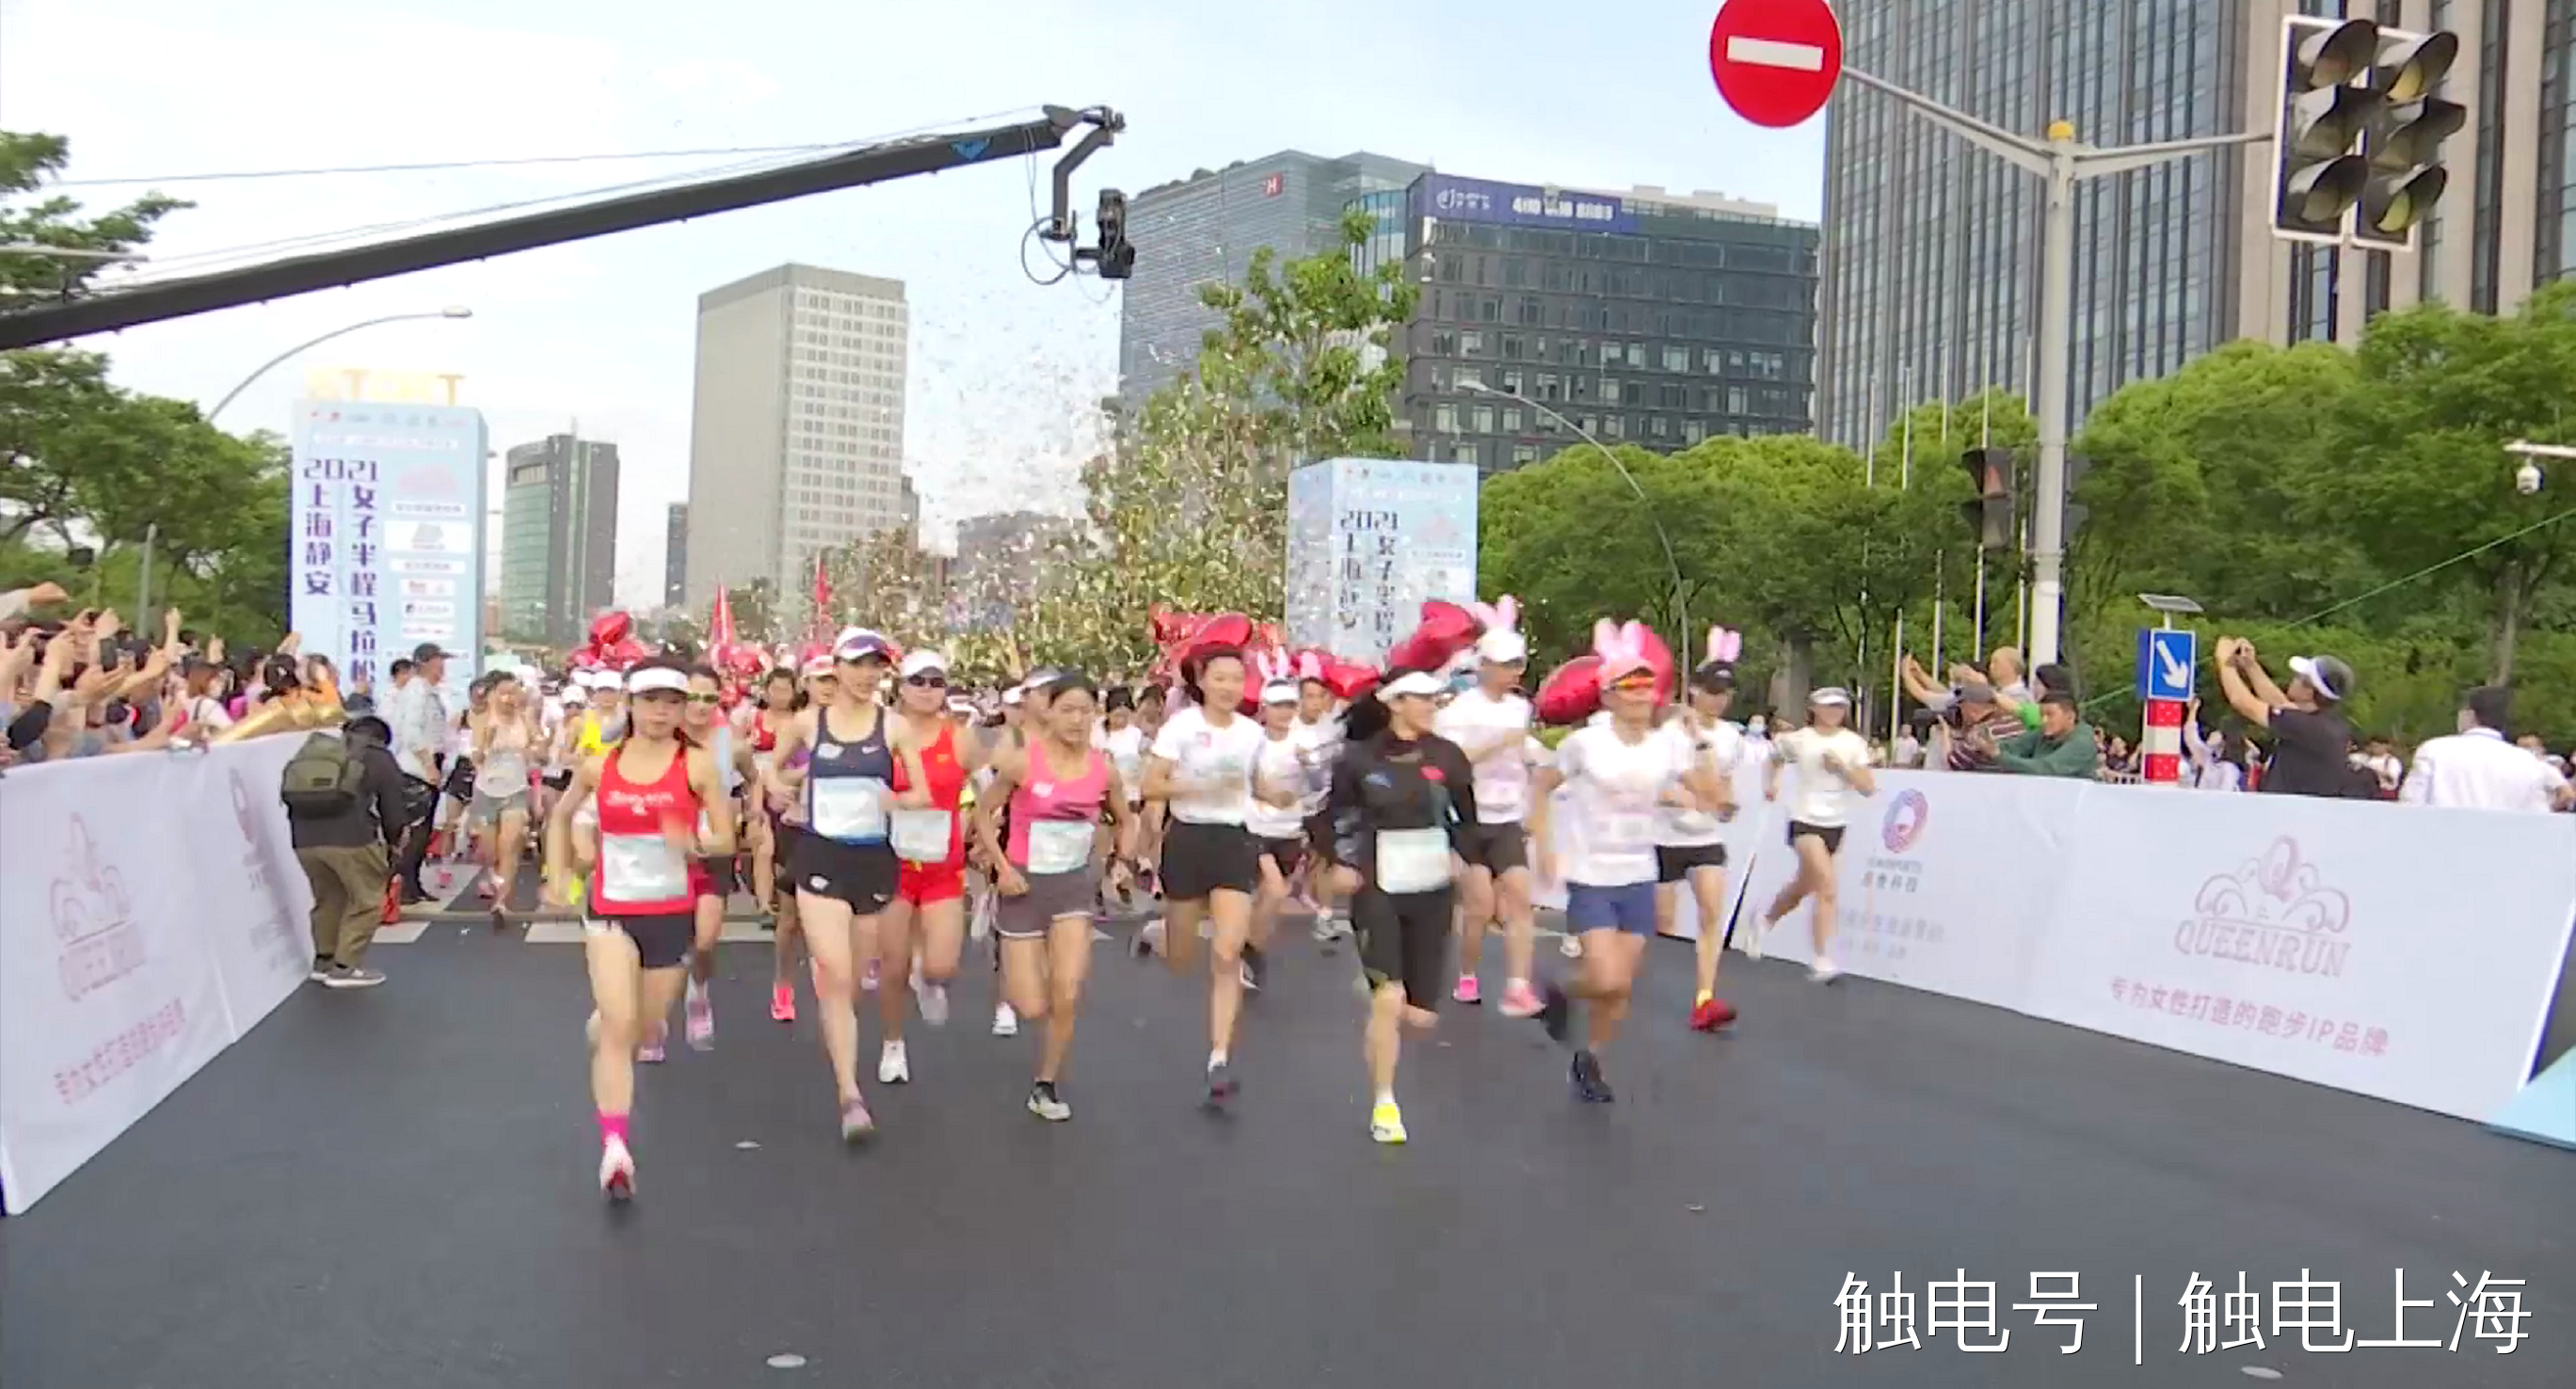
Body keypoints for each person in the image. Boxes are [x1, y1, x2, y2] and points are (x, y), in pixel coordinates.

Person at [542, 658, 735, 1199]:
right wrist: (559, 875)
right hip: (611, 910)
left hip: (671, 913)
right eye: (650, 700)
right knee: (620, 1028)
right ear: (630, 704)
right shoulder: (600, 766)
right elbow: (561, 816)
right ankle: (615, 1148)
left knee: (644, 1029)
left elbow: (727, 838)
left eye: (672, 702)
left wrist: (692, 842)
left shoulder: (697, 766)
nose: (660, 712)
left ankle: (608, 1020)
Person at [1528, 621, 1724, 1103]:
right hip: (1592, 875)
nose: (1641, 695)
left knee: (1620, 989)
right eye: (1630, 687)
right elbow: (1541, 786)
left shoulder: (1668, 746)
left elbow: (1712, 797)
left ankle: (1589, 1058)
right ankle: (1560, 990)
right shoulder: (1585, 744)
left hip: (1639, 875)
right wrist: (1545, 844)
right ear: (1608, 696)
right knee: (1606, 977)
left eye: (1647, 686)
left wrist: (1699, 741)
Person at [974, 673, 1134, 1120]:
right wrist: (1002, 868)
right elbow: (983, 815)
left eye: (1086, 711)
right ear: (1049, 712)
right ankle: (1003, 946)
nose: (1077, 720)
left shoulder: (1103, 769)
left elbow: (1127, 819)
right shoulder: (1023, 763)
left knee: (1067, 991)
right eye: (1068, 710)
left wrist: (1123, 860)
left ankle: (1045, 1085)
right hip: (1023, 886)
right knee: (1031, 1006)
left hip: (1074, 888)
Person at [1328, 667, 1477, 1143]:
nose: (1431, 706)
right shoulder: (1359, 759)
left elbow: (1468, 818)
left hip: (1432, 890)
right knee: (1389, 999)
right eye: (1421, 698)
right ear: (1395, 703)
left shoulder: (1448, 756)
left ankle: (1385, 1005)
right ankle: (1385, 1103)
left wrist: (1461, 855)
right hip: (1378, 886)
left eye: (1434, 699)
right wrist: (1342, 862)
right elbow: (1334, 817)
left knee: (1420, 1017)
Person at [764, 629, 903, 1136]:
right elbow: (771, 770)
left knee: (853, 981)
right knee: (835, 972)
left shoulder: (893, 726)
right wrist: (782, 787)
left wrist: (903, 801)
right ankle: (850, 1094)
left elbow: (925, 789)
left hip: (873, 859)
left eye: (875, 666)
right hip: (820, 853)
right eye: (857, 664)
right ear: (836, 668)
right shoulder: (808, 723)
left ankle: (841, 1034)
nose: (867, 675)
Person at [1139, 646, 1266, 1106]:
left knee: (1227, 952)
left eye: (1237, 678)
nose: (1230, 687)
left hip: (1234, 840)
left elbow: (1260, 783)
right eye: (1221, 678)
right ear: (1202, 680)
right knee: (1181, 959)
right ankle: (1154, 935)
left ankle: (1219, 1057)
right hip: (1188, 838)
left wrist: (1283, 793)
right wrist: (1199, 785)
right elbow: (1151, 784)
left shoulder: (1253, 732)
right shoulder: (1182, 727)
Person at [881, 647, 986, 1071]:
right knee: (892, 966)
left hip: (943, 865)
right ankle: (893, 1044)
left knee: (943, 966)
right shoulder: (882, 733)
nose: (927, 689)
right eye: (918, 681)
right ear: (902, 687)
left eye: (936, 682)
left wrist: (983, 836)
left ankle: (926, 976)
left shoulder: (959, 737)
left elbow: (985, 788)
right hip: (890, 865)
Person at [1433, 628, 1543, 1015]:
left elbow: (1525, 752)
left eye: (1518, 664)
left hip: (1507, 817)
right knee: (1479, 906)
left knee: (1520, 897)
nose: (1513, 672)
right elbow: (1452, 764)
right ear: (1484, 665)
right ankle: (1467, 975)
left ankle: (1518, 986)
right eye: (1506, 664)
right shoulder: (1457, 711)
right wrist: (1499, 744)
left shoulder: (1520, 708)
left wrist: (1538, 760)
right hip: (1469, 818)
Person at [1750, 687, 1877, 983]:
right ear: (1814, 708)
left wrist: (1842, 768)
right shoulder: (1800, 739)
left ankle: (1765, 920)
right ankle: (1822, 958)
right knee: (1827, 886)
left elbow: (1868, 787)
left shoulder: (1853, 743)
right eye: (1828, 706)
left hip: (1837, 822)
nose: (1834, 712)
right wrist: (1771, 784)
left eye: (1839, 707)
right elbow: (1774, 758)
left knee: (1803, 886)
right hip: (1804, 819)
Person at [285, 713, 408, 990]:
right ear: (382, 738)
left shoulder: (320, 752)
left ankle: (324, 961)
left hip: (304, 840)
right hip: (352, 839)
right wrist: (394, 842)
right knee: (367, 900)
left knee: (328, 898)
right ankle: (345, 967)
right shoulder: (378, 756)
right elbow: (392, 807)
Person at [1654, 658, 1744, 1032]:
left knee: (1711, 913)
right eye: (1712, 692)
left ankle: (1704, 998)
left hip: (1705, 839)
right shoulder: (1671, 734)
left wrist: (1726, 803)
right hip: (1663, 836)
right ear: (1694, 690)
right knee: (1658, 924)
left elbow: (1723, 784)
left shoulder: (1733, 738)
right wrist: (1694, 793)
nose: (1719, 700)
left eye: (1725, 693)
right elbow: (1672, 783)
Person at [2212, 639, 2354, 797]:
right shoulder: (2325, 723)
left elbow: (2242, 702)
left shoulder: (2306, 725)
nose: (2294, 679)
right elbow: (2280, 703)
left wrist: (2225, 662)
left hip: (2288, 809)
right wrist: (2250, 666)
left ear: (2310, 691)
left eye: (2299, 677)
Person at [2401, 686, 2564, 812]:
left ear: (2469, 715)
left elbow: (2410, 805)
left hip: (2439, 839)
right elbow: (2537, 815)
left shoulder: (2433, 750)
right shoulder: (2528, 762)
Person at [1972, 691, 2100, 778]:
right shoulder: (2042, 733)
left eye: (2050, 715)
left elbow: (2045, 769)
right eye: (2041, 715)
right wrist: (1985, 744)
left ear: (2070, 717)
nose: (2043, 720)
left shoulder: (2082, 743)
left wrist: (1998, 755)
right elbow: (2013, 747)